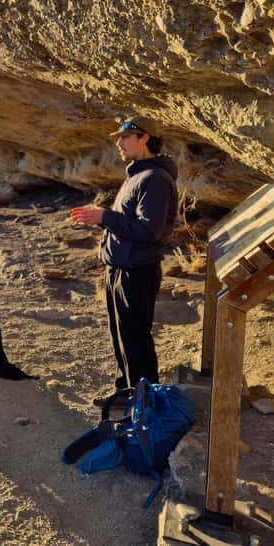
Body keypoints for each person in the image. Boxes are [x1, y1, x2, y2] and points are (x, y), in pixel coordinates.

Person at [71, 116, 177, 396]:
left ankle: (144, 403)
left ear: (145, 138)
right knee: (121, 336)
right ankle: (126, 393)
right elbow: (128, 223)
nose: (118, 143)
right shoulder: (137, 175)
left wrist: (105, 217)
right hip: (119, 268)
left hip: (137, 271)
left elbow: (150, 230)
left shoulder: (155, 179)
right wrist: (101, 219)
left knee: (136, 340)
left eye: (125, 137)